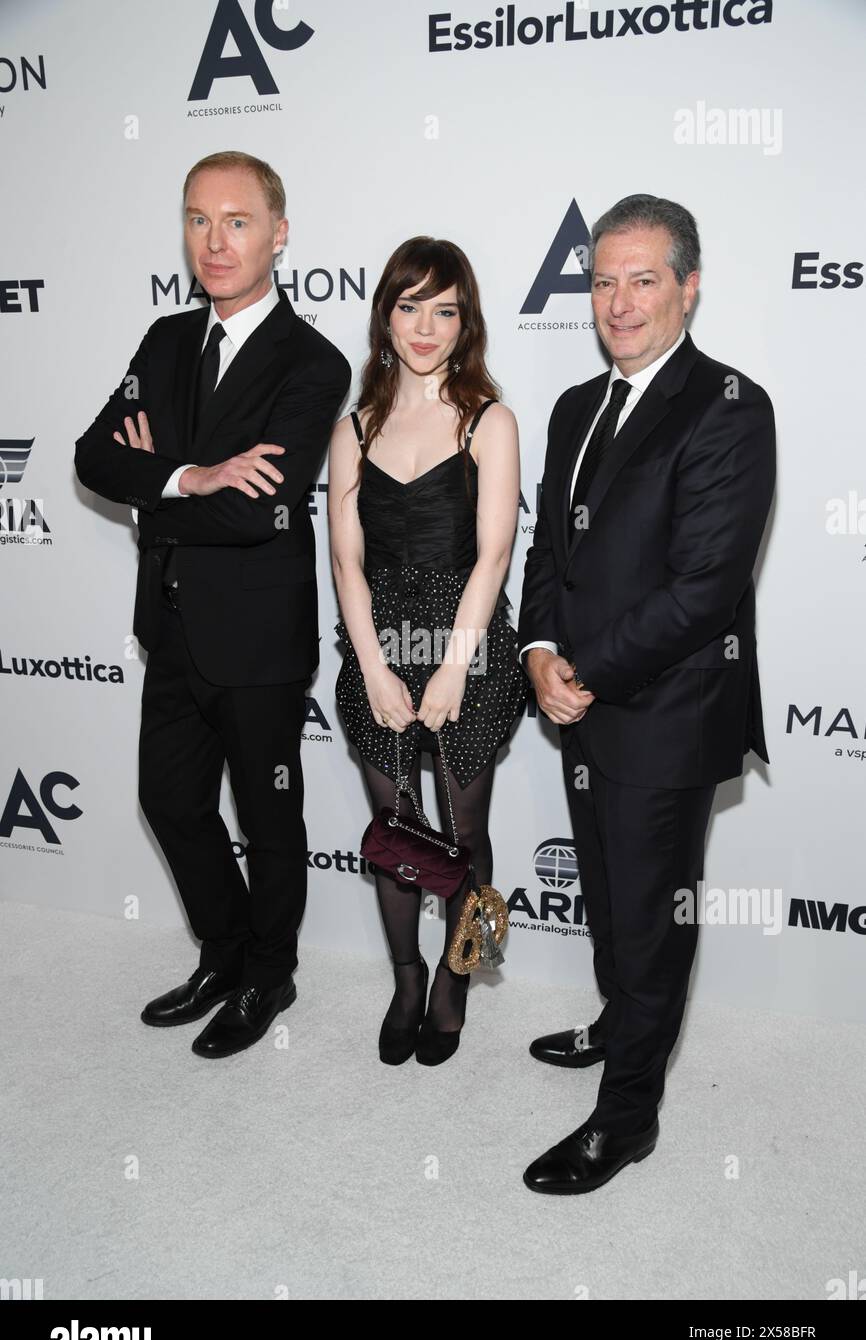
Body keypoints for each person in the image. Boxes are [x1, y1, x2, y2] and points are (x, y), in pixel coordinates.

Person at [518, 194, 775, 1193]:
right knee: (606, 893)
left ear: (688, 286)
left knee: (648, 914)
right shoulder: (575, 407)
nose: (617, 303)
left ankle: (624, 1119)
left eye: (642, 280)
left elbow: (701, 589)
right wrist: (538, 647)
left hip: (664, 714)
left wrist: (576, 673)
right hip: (578, 702)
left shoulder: (729, 408)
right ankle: (617, 1025)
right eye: (602, 281)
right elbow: (549, 551)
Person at [74, 151, 350, 1058]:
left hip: (261, 641)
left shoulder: (312, 363)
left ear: (280, 232)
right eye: (198, 219)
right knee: (170, 802)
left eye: (237, 221)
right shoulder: (163, 341)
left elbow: (260, 510)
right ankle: (225, 953)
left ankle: (272, 975)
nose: (215, 241)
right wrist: (191, 474)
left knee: (268, 820)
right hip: (173, 628)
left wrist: (158, 484)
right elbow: (91, 459)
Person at [328, 236, 529, 1066]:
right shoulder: (355, 426)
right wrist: (373, 665)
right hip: (379, 646)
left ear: (465, 323)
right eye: (410, 305)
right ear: (387, 315)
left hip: (469, 648)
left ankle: (456, 979)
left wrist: (455, 663)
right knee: (395, 828)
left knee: (464, 833)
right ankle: (407, 979)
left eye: (444, 310)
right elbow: (344, 559)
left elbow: (494, 555)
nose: (425, 326)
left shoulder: (490, 419)